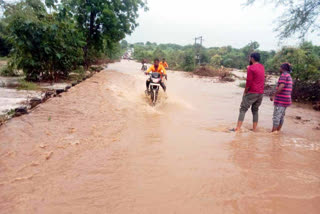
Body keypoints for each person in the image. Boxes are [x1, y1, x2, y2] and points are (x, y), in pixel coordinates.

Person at [234, 52, 265, 132]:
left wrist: (245, 92)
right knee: (255, 110)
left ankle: (238, 128)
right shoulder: (262, 67)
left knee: (243, 109)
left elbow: (249, 82)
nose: (249, 59)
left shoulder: (251, 68)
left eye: (250, 57)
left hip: (252, 91)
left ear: (252, 58)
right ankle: (254, 129)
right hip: (260, 92)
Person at [270, 63, 293, 132]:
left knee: (276, 116)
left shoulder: (283, 75)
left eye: (280, 67)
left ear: (283, 68)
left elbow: (281, 86)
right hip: (286, 99)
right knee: (281, 116)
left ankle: (273, 132)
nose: (279, 68)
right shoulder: (289, 76)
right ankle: (277, 131)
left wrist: (274, 95)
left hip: (281, 100)